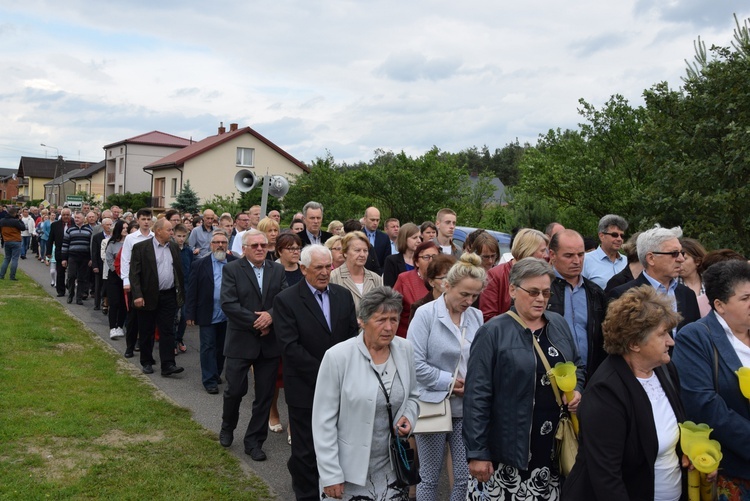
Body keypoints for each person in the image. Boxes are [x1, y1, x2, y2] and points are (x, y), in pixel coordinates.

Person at [463, 258, 584, 499]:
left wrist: (577, 389)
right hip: (508, 452)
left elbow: (578, 365)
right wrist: (477, 453)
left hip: (553, 449)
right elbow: (477, 396)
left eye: (546, 292)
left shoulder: (557, 324)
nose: (541, 298)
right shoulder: (492, 332)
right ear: (512, 290)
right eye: (533, 292)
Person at [563, 285, 688, 500]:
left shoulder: (664, 369)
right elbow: (606, 477)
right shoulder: (606, 392)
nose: (671, 341)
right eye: (662, 334)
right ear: (634, 343)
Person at [313, 286, 419, 501]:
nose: (389, 327)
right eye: (381, 320)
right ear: (362, 320)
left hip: (392, 469)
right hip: (349, 472)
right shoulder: (337, 357)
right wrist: (331, 473)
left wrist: (409, 416)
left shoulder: (405, 349)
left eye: (394, 319)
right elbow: (323, 422)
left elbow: (414, 395)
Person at [273, 244, 359, 501]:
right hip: (305, 387)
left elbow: (353, 337)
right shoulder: (286, 300)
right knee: (306, 449)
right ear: (303, 269)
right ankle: (307, 494)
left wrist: (344, 374)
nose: (324, 272)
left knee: (337, 443)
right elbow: (290, 348)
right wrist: (327, 374)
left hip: (342, 387)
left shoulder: (343, 296)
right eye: (318, 267)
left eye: (328, 266)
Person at [407, 254, 486, 501]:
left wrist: (473, 384)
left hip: (466, 407)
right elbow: (414, 364)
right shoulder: (425, 314)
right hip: (432, 405)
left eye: (474, 295)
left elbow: (480, 361)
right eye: (464, 294)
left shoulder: (476, 316)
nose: (469, 301)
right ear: (446, 285)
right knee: (429, 477)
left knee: (464, 478)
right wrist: (449, 383)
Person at [672, 260, 750, 496]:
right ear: (719, 305)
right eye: (745, 299)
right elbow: (703, 404)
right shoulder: (696, 337)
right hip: (734, 469)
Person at [218, 230, 288, 461]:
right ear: (245, 248)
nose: (260, 248)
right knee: (235, 390)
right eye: (255, 245)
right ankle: (228, 427)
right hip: (241, 340)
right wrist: (258, 322)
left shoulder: (277, 270)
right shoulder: (231, 269)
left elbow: (284, 300)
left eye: (264, 245)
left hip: (269, 344)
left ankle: (254, 441)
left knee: (265, 395)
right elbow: (229, 303)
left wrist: (270, 316)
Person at [609, 226, 700, 334]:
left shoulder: (687, 294)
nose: (681, 259)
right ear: (651, 259)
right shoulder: (623, 295)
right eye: (674, 253)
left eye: (682, 253)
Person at [548, 229, 608, 378]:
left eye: (581, 255)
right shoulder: (541, 291)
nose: (577, 261)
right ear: (552, 255)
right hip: (551, 377)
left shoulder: (595, 292)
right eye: (568, 255)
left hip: (591, 377)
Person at [129, 218, 185, 377]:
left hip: (168, 295)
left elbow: (178, 271)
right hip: (147, 296)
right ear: (158, 231)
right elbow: (134, 274)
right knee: (146, 330)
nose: (172, 233)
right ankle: (146, 361)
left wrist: (179, 293)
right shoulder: (141, 248)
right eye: (169, 230)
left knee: (168, 331)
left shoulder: (173, 247)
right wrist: (137, 295)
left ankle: (168, 364)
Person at [185, 229, 236, 394]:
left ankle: (215, 372)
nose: (220, 245)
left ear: (227, 245)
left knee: (222, 347)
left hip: (228, 315)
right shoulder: (199, 264)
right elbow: (192, 291)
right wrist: (190, 313)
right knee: (208, 346)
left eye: (223, 243)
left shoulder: (234, 263)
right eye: (216, 243)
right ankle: (209, 380)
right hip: (207, 312)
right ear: (210, 245)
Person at [479, 228, 549, 322]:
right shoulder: (496, 275)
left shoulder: (544, 276)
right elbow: (488, 317)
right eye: (542, 251)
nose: (546, 255)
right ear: (528, 250)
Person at [120, 209, 154, 359]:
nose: (146, 222)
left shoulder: (155, 237)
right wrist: (126, 281)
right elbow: (125, 259)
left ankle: (146, 347)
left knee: (149, 319)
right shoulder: (131, 238)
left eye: (148, 219)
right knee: (133, 317)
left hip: (151, 283)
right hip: (135, 281)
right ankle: (130, 345)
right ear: (138, 220)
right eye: (143, 219)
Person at [393, 241, 439, 338]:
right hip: (408, 337)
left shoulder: (444, 281)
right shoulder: (404, 279)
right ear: (417, 262)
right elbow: (392, 310)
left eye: (435, 257)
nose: (431, 261)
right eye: (426, 257)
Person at [329, 231, 383, 313]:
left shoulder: (376, 279)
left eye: (365, 250)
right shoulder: (332, 277)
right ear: (345, 252)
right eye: (357, 250)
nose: (362, 254)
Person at [582, 214, 629, 289]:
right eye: (614, 235)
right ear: (602, 236)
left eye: (622, 236)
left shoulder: (627, 261)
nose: (619, 239)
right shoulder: (585, 260)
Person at [409, 253, 456, 321]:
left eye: (451, 278)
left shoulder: (458, 304)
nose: (448, 282)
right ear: (431, 282)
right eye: (444, 278)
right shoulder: (419, 307)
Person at [61, 211, 93, 305]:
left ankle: (79, 297)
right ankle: (71, 294)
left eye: (78, 218)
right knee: (71, 276)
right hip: (73, 256)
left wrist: (91, 258)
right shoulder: (70, 230)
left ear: (83, 219)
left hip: (84, 257)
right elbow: (65, 244)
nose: (76, 219)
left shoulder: (89, 230)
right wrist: (64, 258)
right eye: (75, 218)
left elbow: (91, 246)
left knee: (82, 278)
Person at [104, 220, 128, 340]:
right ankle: (112, 327)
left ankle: (120, 325)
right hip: (114, 275)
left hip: (126, 276)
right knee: (114, 302)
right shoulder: (112, 243)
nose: (125, 229)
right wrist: (117, 271)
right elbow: (109, 259)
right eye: (123, 228)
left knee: (124, 303)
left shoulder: (129, 242)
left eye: (126, 228)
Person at [382, 222, 422, 287]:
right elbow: (389, 289)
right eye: (414, 238)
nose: (419, 241)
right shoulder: (392, 261)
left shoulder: (422, 260)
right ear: (404, 239)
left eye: (419, 237)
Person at [90, 218, 113, 311]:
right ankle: (97, 304)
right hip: (100, 264)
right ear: (103, 226)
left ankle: (106, 302)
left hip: (109, 266)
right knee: (98, 285)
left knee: (107, 285)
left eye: (110, 225)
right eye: (107, 225)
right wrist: (95, 265)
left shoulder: (114, 237)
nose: (109, 227)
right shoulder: (97, 237)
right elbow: (94, 252)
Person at [678, 237, 707, 302]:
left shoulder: (709, 281)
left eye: (684, 259)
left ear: (697, 261)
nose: (679, 262)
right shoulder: (672, 283)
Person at [0, 208, 25, 280]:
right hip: (16, 241)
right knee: (14, 259)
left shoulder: (2, 221)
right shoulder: (15, 221)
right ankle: (12, 276)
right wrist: (20, 220)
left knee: (6, 258)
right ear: (14, 213)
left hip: (6, 241)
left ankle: (1, 275)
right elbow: (23, 228)